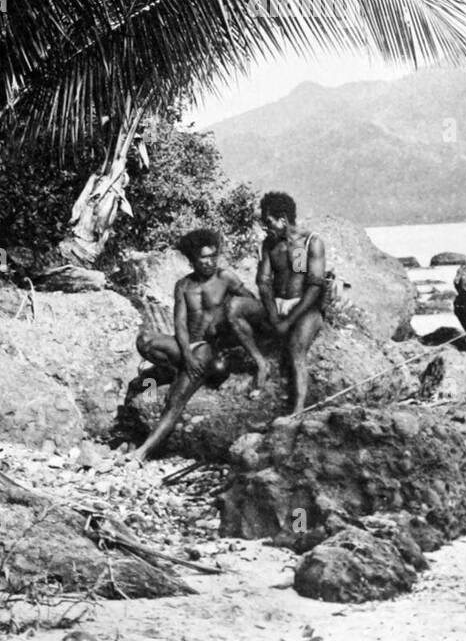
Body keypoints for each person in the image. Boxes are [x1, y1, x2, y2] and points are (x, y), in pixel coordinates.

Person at [132, 228, 251, 462]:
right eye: (203, 258)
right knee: (144, 341)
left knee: (174, 400)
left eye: (213, 256)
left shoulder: (226, 277)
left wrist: (233, 341)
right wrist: (186, 353)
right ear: (192, 260)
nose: (209, 262)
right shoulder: (183, 286)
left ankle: (142, 452)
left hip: (209, 349)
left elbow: (250, 305)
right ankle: (165, 375)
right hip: (188, 345)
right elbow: (180, 324)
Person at [225, 190, 327, 416]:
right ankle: (261, 363)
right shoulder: (271, 245)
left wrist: (289, 319)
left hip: (304, 308)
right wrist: (273, 315)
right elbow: (263, 282)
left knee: (295, 349)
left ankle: (297, 410)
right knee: (233, 308)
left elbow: (312, 286)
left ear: (283, 219)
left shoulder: (309, 242)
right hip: (276, 307)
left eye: (268, 222)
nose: (265, 227)